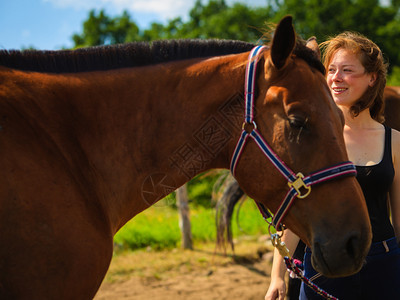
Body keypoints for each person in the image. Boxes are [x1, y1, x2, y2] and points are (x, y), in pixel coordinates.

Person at [265, 32, 400, 300]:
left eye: (347, 70)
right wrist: (276, 277)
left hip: (384, 267)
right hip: (324, 267)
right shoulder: (313, 139)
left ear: (372, 78)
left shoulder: (395, 141)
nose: (336, 78)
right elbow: (297, 215)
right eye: (331, 70)